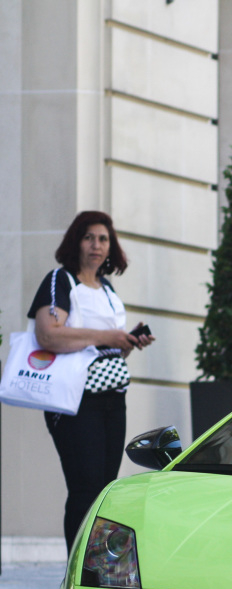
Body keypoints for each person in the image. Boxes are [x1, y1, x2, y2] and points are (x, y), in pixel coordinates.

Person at [27, 211, 155, 551]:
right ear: (76, 241)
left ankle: (97, 571)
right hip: (74, 399)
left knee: (104, 490)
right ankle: (76, 576)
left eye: (103, 238)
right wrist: (107, 336)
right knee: (84, 489)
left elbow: (105, 350)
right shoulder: (60, 281)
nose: (96, 245)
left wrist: (126, 342)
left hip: (112, 398)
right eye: (89, 237)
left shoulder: (108, 288)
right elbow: (48, 334)